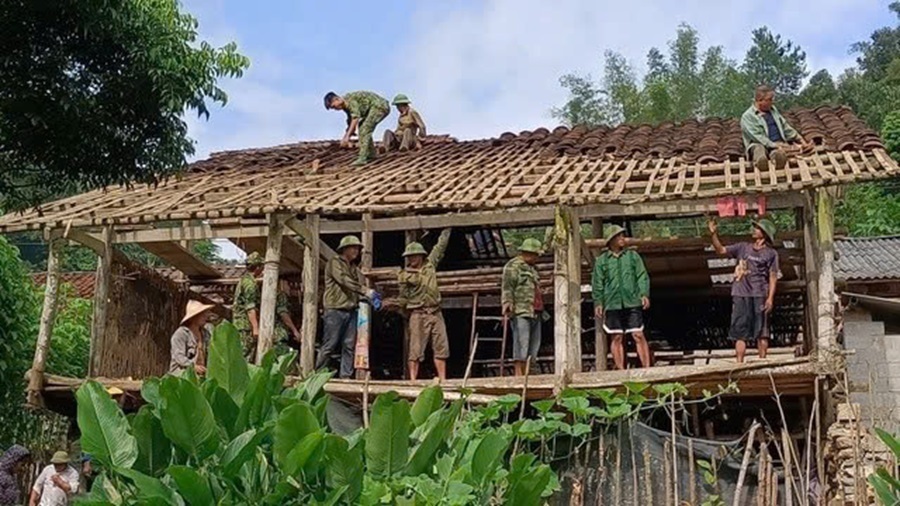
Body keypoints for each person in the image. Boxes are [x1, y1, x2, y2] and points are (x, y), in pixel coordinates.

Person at [709, 218, 780, 363]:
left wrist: (770, 298)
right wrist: (713, 234)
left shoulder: (771, 253)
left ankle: (762, 362)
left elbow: (773, 276)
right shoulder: (743, 247)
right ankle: (739, 364)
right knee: (739, 332)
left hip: (760, 294)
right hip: (740, 293)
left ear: (764, 233)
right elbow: (721, 250)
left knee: (762, 332)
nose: (754, 230)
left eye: (758, 228)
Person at [319, 236, 380, 378]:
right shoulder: (334, 262)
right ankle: (317, 376)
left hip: (351, 310)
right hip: (335, 309)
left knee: (349, 345)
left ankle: (345, 377)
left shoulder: (352, 268)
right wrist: (366, 291)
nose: (356, 251)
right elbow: (344, 281)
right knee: (330, 344)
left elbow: (353, 291)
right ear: (344, 249)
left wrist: (366, 299)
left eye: (357, 249)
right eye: (353, 248)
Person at [591, 225, 651, 370]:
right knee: (616, 336)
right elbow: (598, 282)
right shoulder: (602, 261)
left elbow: (642, 276)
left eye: (623, 235)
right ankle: (621, 370)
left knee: (638, 334)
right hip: (612, 303)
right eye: (619, 236)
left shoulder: (632, 256)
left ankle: (647, 368)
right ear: (611, 240)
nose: (622, 238)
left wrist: (644, 294)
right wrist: (599, 302)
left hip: (632, 301)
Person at [394, 229, 451, 380]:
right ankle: (413, 380)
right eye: (409, 256)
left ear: (421, 256)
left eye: (414, 256)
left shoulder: (430, 266)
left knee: (441, 347)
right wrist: (402, 310)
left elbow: (440, 247)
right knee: (415, 349)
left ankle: (443, 379)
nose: (411, 259)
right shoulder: (405, 275)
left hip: (435, 311)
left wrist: (447, 229)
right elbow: (403, 297)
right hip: (418, 313)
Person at [740, 84, 811, 172]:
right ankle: (761, 162)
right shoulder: (748, 116)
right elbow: (758, 137)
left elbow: (785, 127)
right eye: (769, 100)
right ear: (759, 100)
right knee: (759, 148)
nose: (772, 102)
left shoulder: (773, 110)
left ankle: (778, 160)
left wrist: (801, 140)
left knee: (777, 153)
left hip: (777, 145)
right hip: (761, 144)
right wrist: (776, 145)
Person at [502, 238, 545, 376]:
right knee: (521, 341)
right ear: (529, 253)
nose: (537, 258)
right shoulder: (513, 266)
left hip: (535, 310)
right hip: (521, 310)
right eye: (536, 255)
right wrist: (507, 303)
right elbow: (507, 287)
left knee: (534, 344)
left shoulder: (533, 268)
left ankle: (528, 372)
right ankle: (518, 374)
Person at [324, 91, 390, 166]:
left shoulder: (350, 101)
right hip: (373, 108)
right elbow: (351, 120)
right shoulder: (345, 106)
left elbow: (355, 119)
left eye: (334, 106)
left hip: (379, 106)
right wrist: (348, 134)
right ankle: (371, 154)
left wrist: (347, 137)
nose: (335, 109)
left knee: (365, 128)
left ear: (337, 99)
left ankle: (362, 157)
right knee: (362, 126)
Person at [233, 251, 264, 361]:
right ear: (258, 267)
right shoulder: (250, 284)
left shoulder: (243, 280)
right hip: (245, 325)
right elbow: (250, 308)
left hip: (240, 324)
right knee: (245, 355)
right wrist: (255, 328)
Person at [169, 299, 215, 375]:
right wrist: (194, 367)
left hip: (202, 374)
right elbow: (179, 357)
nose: (205, 317)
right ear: (194, 317)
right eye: (202, 315)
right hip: (182, 373)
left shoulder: (206, 333)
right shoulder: (181, 334)